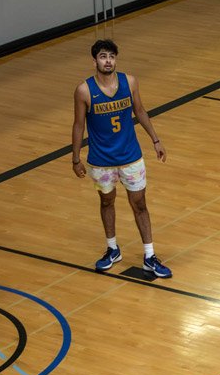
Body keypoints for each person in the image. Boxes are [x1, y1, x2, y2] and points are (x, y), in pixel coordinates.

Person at [72, 39, 172, 278]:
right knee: (106, 202)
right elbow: (78, 125)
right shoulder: (84, 90)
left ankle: (149, 255)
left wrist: (155, 140)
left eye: (112, 57)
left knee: (140, 204)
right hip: (100, 160)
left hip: (131, 157)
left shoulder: (130, 82)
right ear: (95, 60)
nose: (108, 61)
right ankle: (112, 248)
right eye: (103, 56)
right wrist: (75, 158)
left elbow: (140, 111)